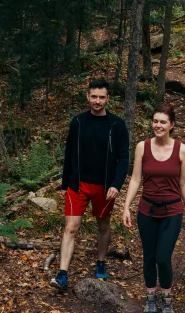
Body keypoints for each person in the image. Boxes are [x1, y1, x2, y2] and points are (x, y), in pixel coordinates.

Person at [50, 79, 130, 293]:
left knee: (103, 225)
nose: (97, 101)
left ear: (108, 99)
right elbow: (69, 153)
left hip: (104, 187)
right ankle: (62, 274)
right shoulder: (77, 122)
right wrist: (65, 184)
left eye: (101, 97)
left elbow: (123, 159)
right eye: (94, 96)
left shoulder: (117, 124)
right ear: (87, 97)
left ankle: (101, 262)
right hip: (78, 185)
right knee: (71, 227)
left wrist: (116, 184)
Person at [121, 104, 185, 313]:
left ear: (172, 125)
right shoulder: (143, 147)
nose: (158, 125)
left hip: (172, 210)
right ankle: (151, 298)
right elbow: (135, 179)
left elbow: (184, 182)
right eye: (155, 121)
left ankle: (167, 299)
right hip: (147, 210)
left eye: (163, 122)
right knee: (149, 256)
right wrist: (126, 206)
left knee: (163, 257)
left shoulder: (182, 150)